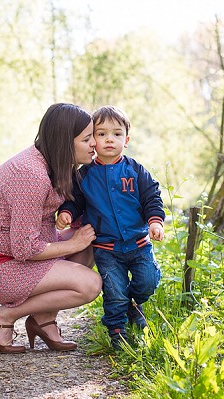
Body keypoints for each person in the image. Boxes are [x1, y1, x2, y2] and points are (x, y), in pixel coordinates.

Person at [0, 103, 103, 354]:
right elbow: (24, 248)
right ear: (64, 141)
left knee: (90, 241)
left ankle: (43, 320)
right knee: (90, 285)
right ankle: (3, 317)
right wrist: (72, 243)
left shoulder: (53, 165)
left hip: (12, 257)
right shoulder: (30, 174)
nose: (94, 143)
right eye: (86, 138)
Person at [56, 105, 166, 348]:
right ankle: (117, 332)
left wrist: (155, 221)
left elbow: (152, 198)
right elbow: (75, 201)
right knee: (114, 291)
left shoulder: (136, 171)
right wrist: (66, 212)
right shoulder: (84, 175)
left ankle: (132, 303)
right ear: (92, 140)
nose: (109, 139)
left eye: (116, 134)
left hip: (139, 244)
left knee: (148, 281)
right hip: (106, 249)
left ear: (126, 140)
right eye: (101, 133)